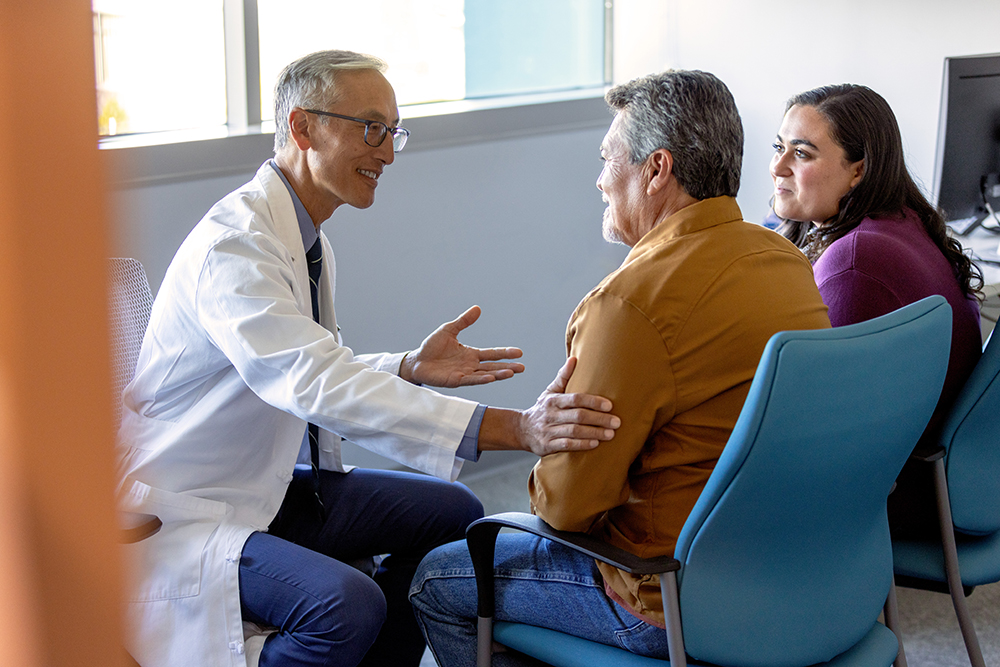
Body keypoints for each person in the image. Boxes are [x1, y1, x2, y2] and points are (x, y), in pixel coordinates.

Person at [116, 50, 623, 667]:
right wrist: (514, 427)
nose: (387, 152)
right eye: (371, 128)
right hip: (183, 510)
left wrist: (408, 366)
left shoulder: (308, 240)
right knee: (345, 605)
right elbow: (311, 381)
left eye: (393, 133)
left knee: (452, 513)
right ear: (303, 127)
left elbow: (310, 366)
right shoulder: (237, 247)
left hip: (257, 489)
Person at [408, 70, 831, 666]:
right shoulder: (786, 262)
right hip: (795, 571)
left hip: (669, 599)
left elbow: (564, 510)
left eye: (609, 159)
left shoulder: (629, 305)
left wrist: (542, 443)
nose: (600, 180)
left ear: (656, 170)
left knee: (437, 579)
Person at [770, 84, 983, 537]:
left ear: (858, 170)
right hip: (946, 481)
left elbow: (815, 425)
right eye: (779, 147)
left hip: (899, 497)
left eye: (802, 154)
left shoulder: (854, 264)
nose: (777, 167)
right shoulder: (902, 222)